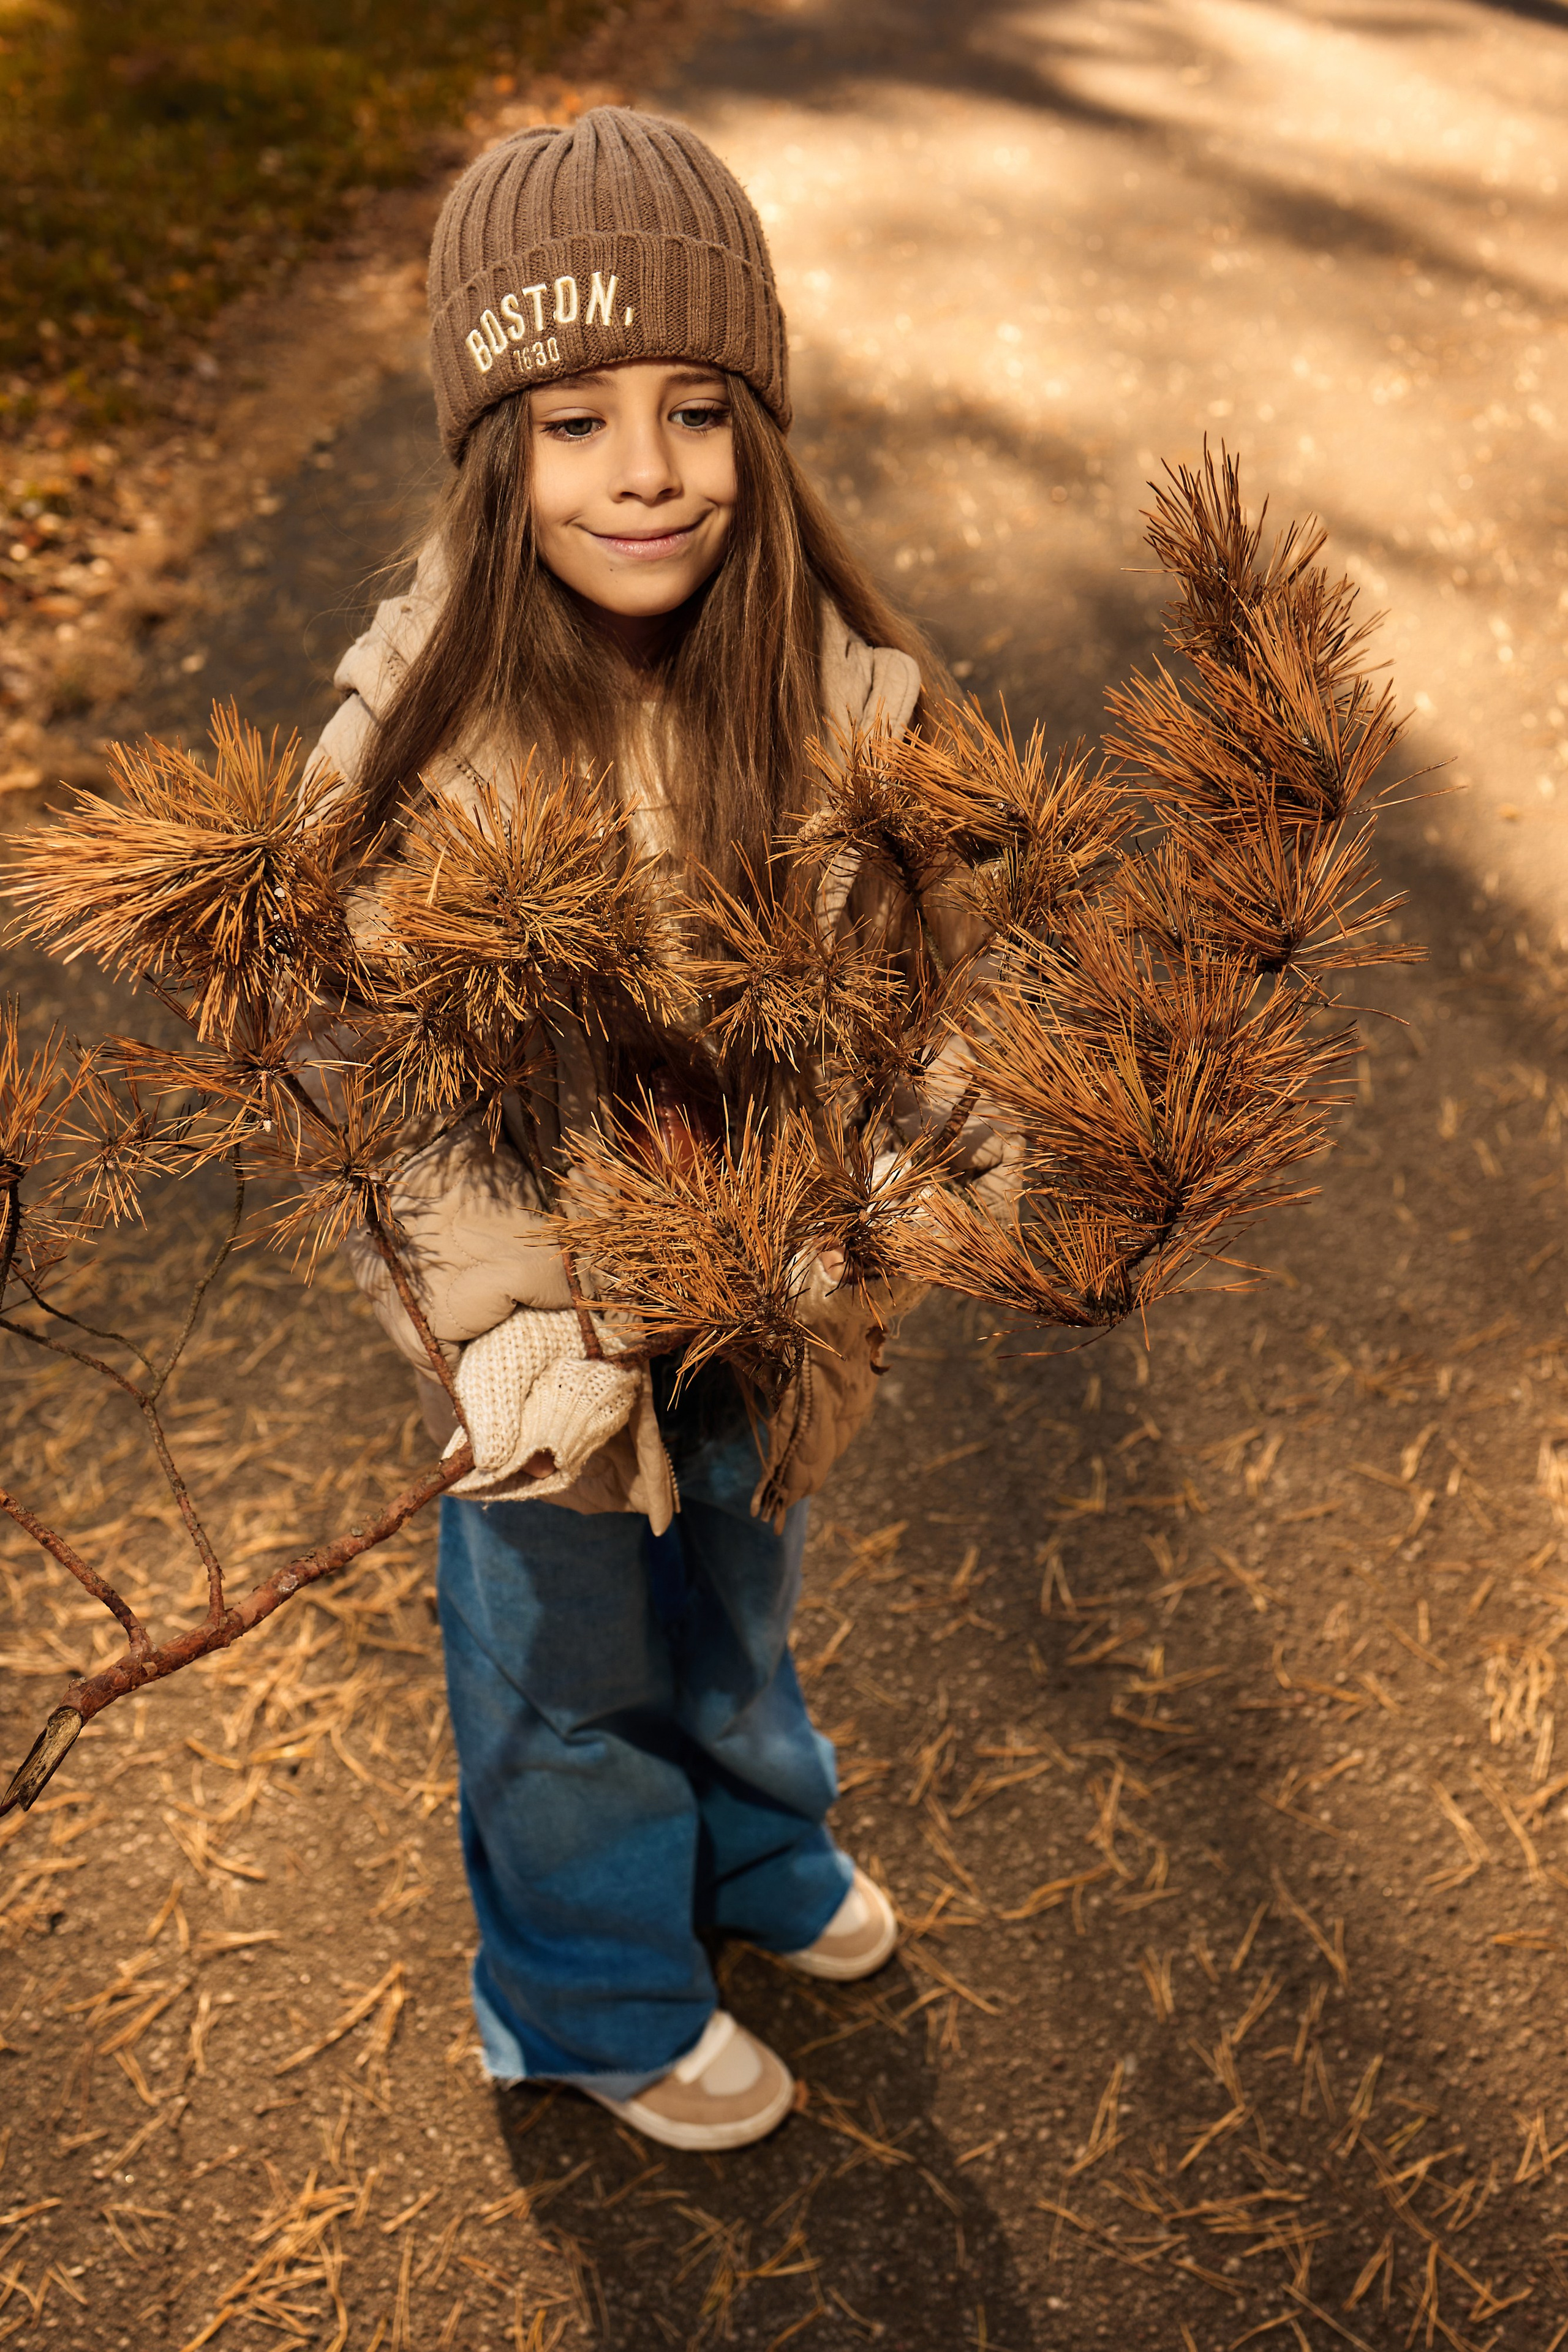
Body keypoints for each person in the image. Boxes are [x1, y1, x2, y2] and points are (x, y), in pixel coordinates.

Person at [306, 107, 984, 2153]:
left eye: (698, 407)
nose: (647, 468)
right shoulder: (421, 726)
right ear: (493, 447)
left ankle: (757, 1860)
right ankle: (587, 1997)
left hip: (767, 1295)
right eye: (575, 416)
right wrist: (498, 1324)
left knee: (738, 1607)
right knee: (561, 1677)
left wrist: (907, 1191)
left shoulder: (839, 698)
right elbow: (387, 1080)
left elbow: (942, 998)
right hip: (549, 1347)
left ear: (757, 430)